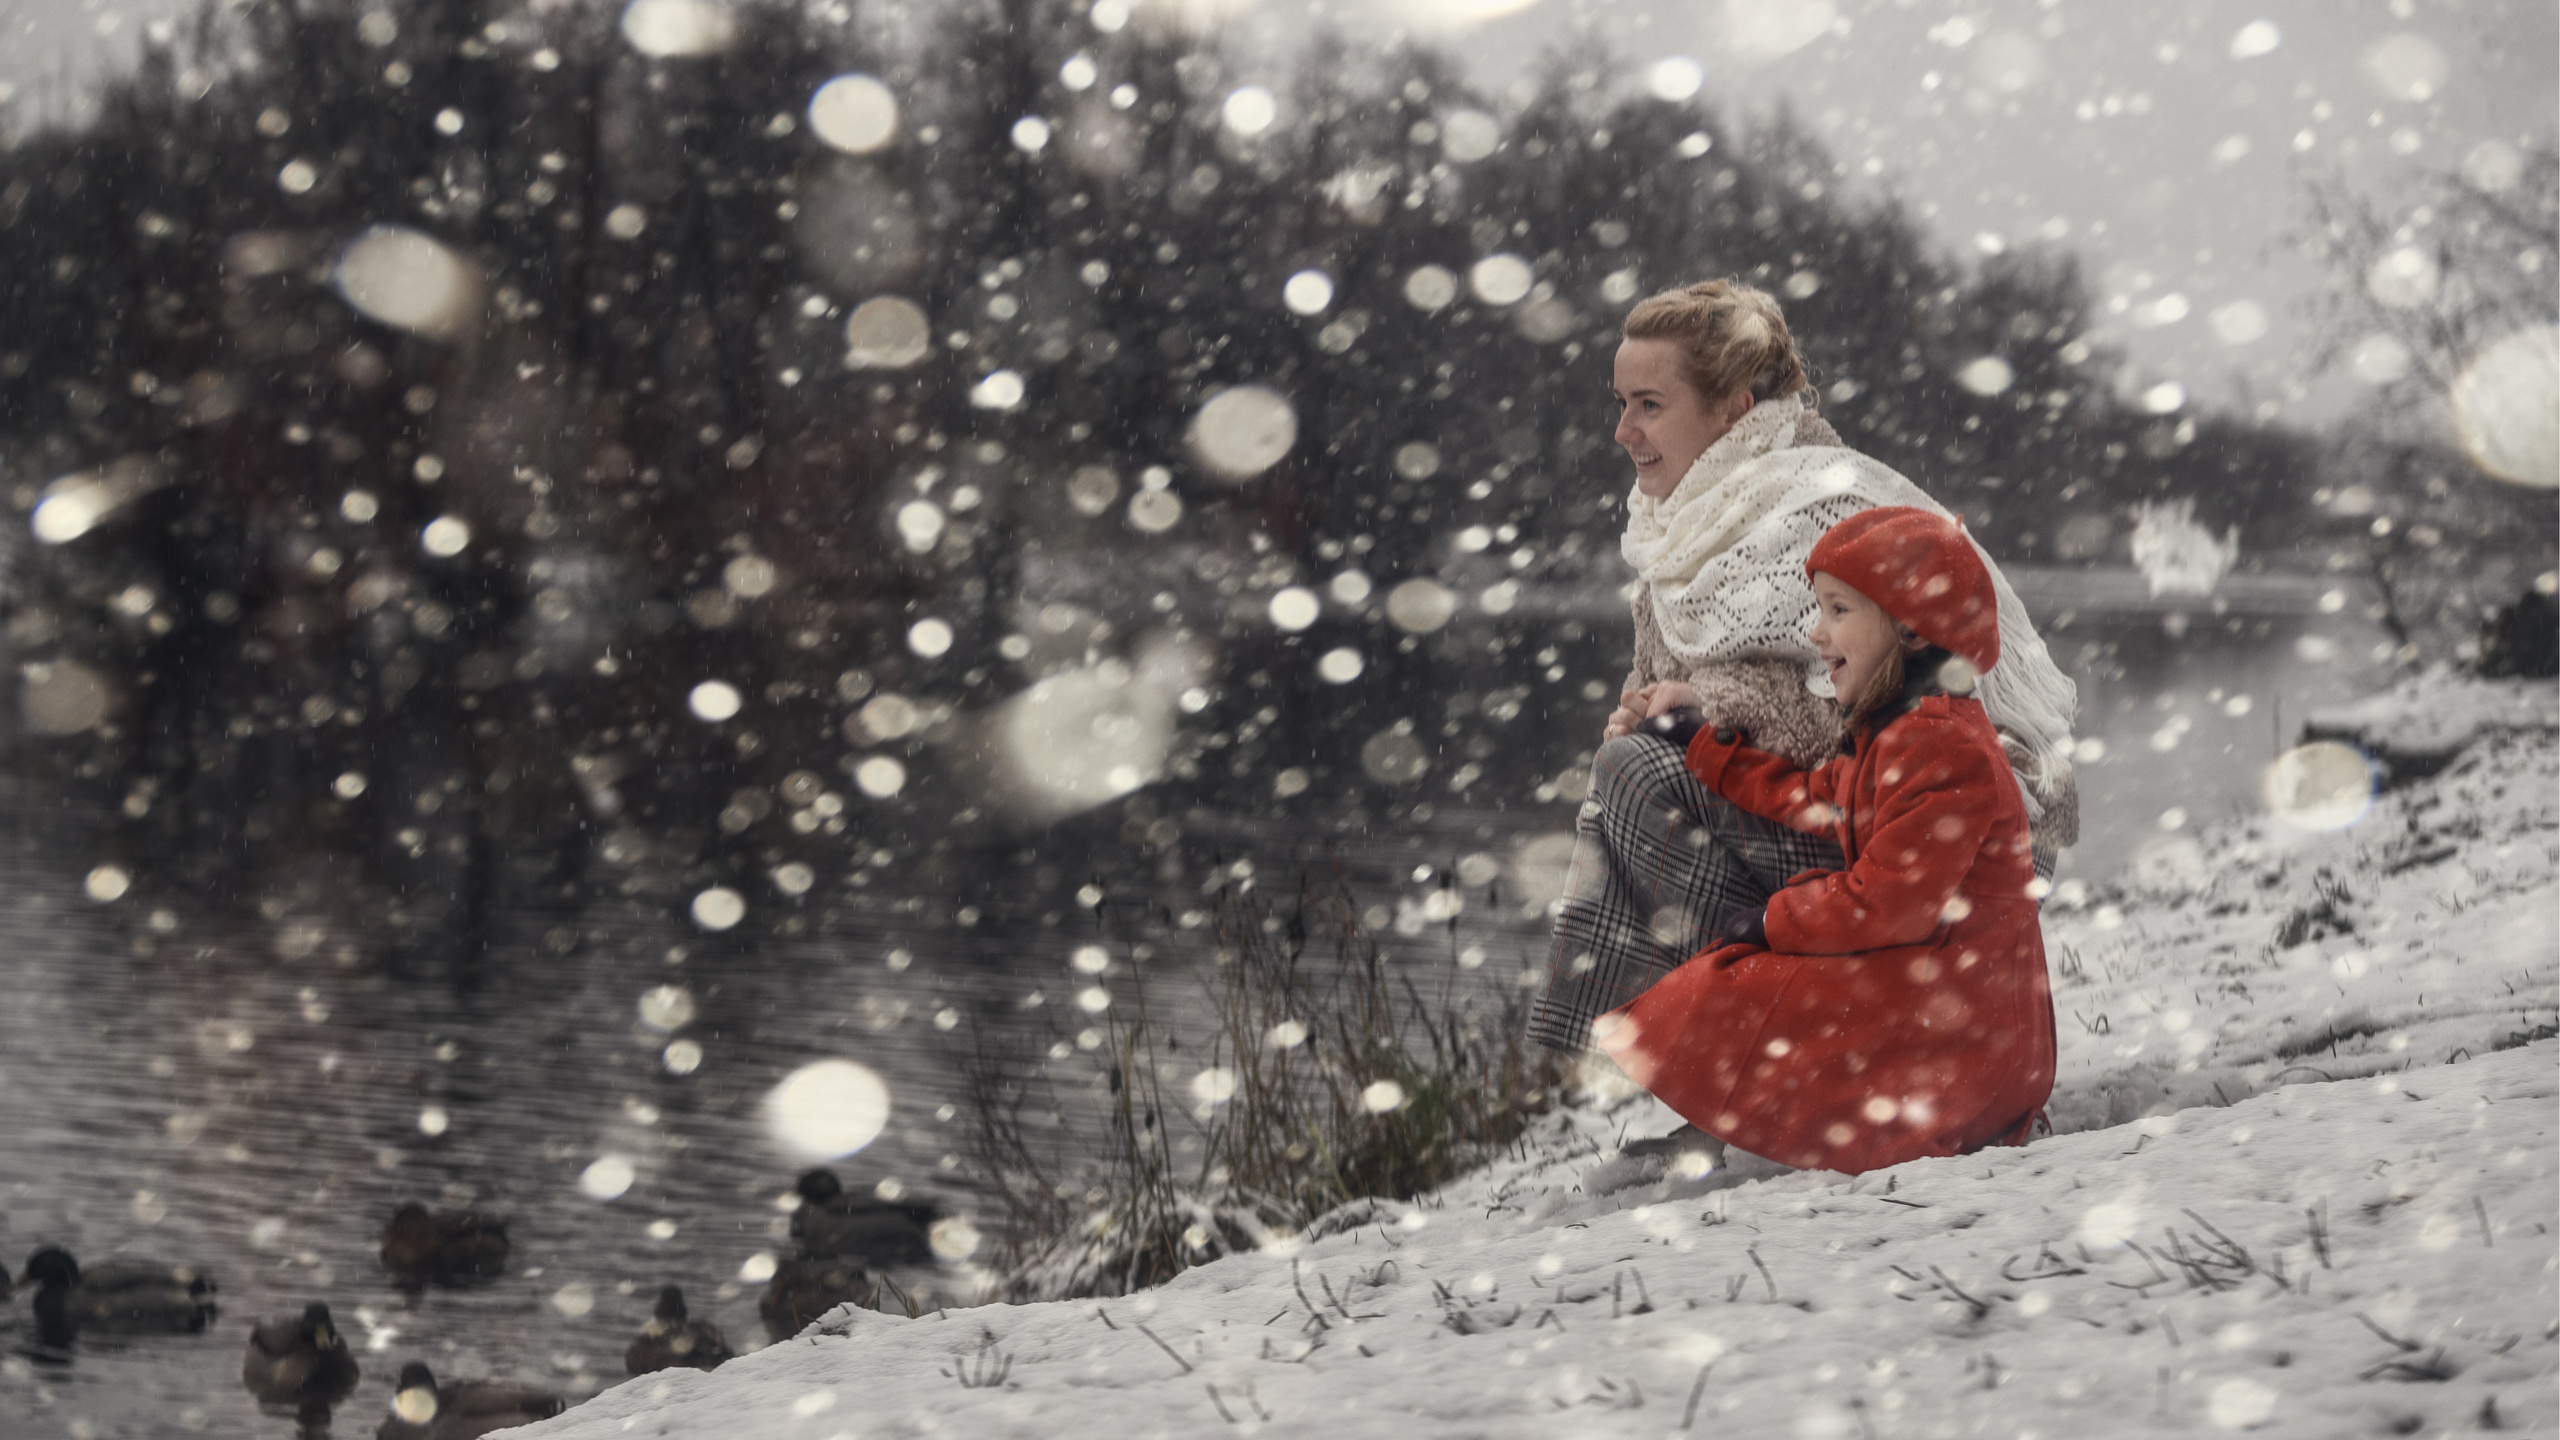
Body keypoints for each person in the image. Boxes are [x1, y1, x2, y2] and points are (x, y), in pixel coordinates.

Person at [1524, 279, 2079, 1061]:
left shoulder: (1822, 508)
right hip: (1838, 809)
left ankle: (1767, 1048)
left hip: (1934, 838)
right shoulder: (1677, 527)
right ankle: (1685, 1048)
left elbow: (1899, 722)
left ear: (1732, 409)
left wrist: (1698, 709)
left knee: (1642, 777)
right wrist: (1648, 710)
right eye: (1619, 403)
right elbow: (1663, 677)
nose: (1622, 431)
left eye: (1649, 404)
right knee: (1631, 769)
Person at [1595, 506, 2057, 1174]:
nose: (1817, 633)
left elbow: (1887, 906)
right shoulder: (1904, 729)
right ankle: (1737, 1123)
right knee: (1747, 980)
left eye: (1839, 610)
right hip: (1964, 1011)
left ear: (1908, 625)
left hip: (1971, 1043)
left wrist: (1769, 920)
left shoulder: (1940, 745)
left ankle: (1742, 1128)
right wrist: (1703, 746)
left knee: (1742, 985)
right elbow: (1815, 800)